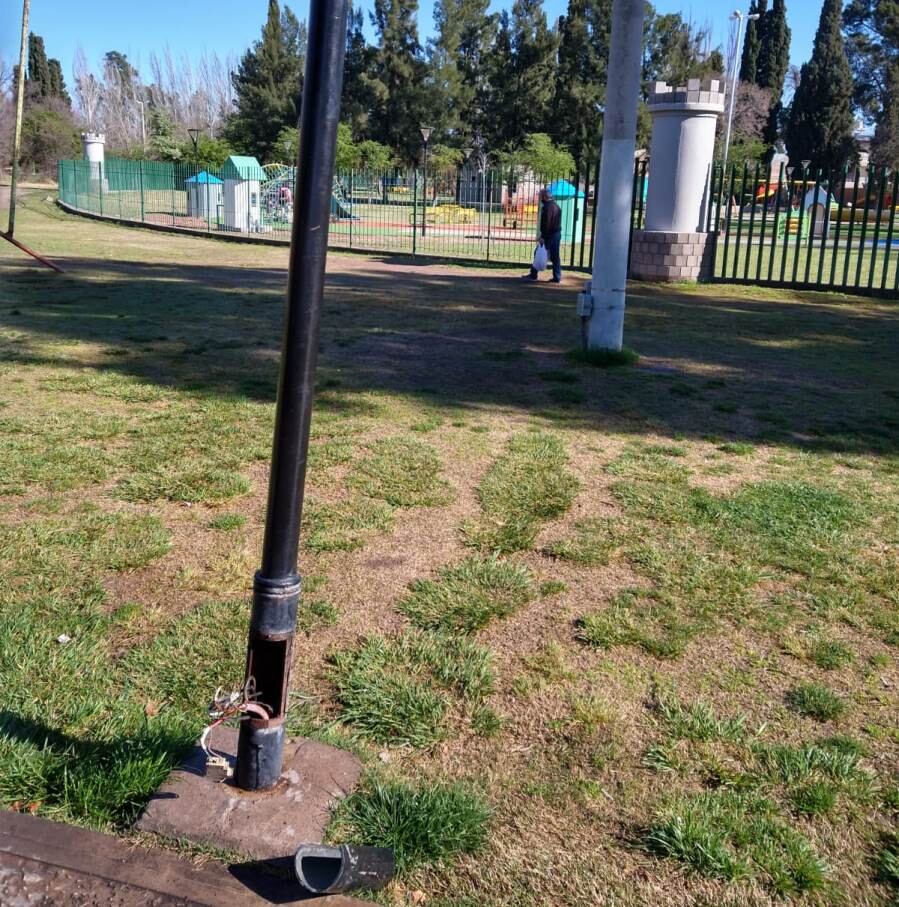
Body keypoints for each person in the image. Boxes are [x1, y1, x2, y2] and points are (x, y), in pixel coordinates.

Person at [523, 187, 563, 283]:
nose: (540, 198)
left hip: (549, 234)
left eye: (540, 196)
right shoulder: (556, 206)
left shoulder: (547, 207)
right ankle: (557, 276)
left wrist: (543, 237)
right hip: (556, 233)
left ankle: (533, 274)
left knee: (538, 252)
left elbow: (547, 224)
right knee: (555, 255)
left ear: (544, 197)